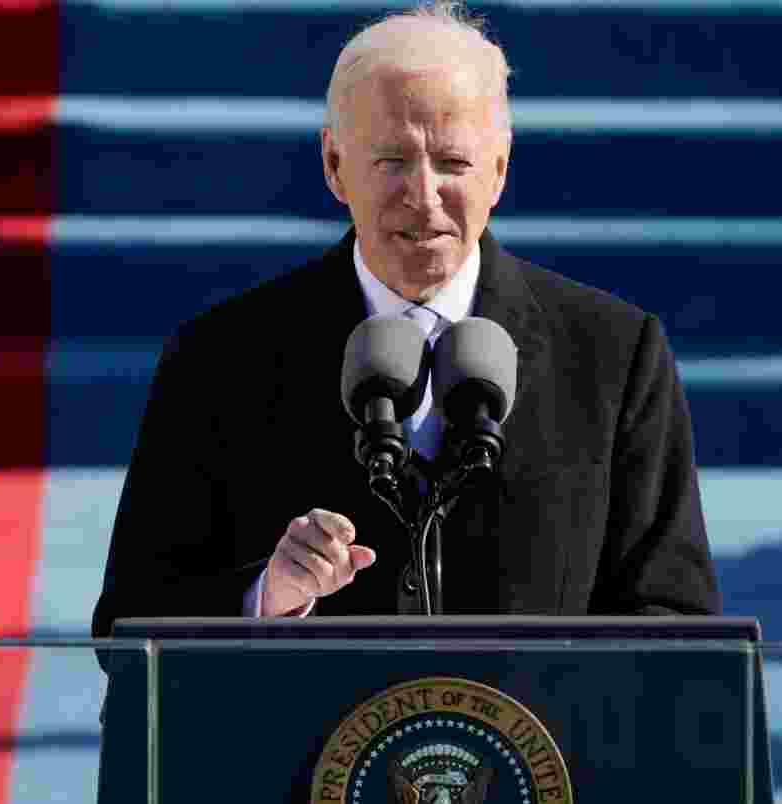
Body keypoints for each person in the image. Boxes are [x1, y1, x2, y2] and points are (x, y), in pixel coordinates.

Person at [91, 0, 719, 654]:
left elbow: (676, 620)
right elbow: (130, 622)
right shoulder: (219, 359)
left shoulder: (615, 356)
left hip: (543, 751)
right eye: (392, 161)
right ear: (334, 165)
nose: (423, 195)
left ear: (499, 170)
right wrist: (266, 598)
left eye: (452, 162)